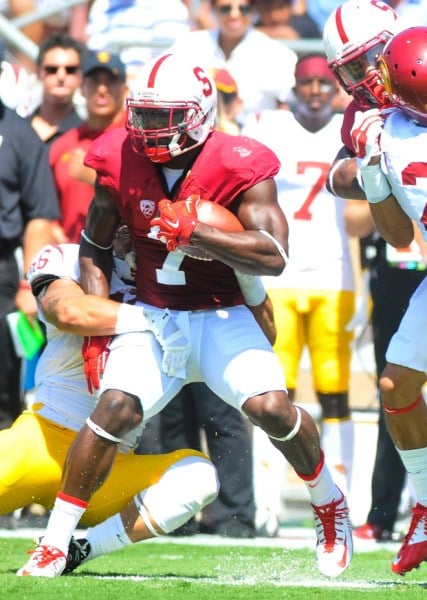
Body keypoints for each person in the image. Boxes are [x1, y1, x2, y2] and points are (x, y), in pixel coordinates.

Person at [18, 52, 353, 579]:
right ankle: (56, 540)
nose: (147, 129)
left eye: (162, 116)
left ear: (198, 114)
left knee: (271, 409)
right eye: (144, 115)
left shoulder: (239, 160)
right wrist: (101, 330)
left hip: (221, 313)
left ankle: (329, 503)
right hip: (155, 314)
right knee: (115, 408)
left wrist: (201, 235)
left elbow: (275, 254)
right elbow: (92, 244)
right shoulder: (117, 154)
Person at [8, 239, 218, 576]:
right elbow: (67, 311)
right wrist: (157, 319)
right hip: (41, 442)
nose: (123, 224)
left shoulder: (174, 277)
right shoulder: (68, 258)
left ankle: (81, 549)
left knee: (199, 478)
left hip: (108, 467)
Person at [322, 0, 422, 543]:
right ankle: (413, 508)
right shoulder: (367, 117)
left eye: (369, 62)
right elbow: (387, 225)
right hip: (411, 263)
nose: (364, 80)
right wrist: (375, 172)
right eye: (351, 70)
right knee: (397, 380)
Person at [243, 54, 356, 527]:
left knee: (335, 392)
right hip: (282, 277)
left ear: (333, 88)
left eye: (321, 82)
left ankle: (349, 497)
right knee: (274, 392)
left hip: (334, 274)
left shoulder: (348, 131)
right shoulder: (270, 125)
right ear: (293, 86)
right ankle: (266, 502)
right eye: (306, 82)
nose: (314, 91)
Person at [349, 25, 427, 575]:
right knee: (395, 383)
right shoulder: (384, 134)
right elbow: (399, 236)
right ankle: (425, 503)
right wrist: (375, 180)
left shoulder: (388, 128)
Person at [0, 32, 59, 433]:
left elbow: (39, 216)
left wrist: (27, 283)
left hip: (2, 273)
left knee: (4, 387)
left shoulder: (20, 135)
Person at [168, 0, 297, 126]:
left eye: (243, 9)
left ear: (253, 11)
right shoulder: (188, 44)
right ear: (213, 9)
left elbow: (290, 103)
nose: (234, 15)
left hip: (254, 138)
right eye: (225, 9)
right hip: (197, 133)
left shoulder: (276, 52)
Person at [49, 49, 128, 243]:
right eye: (94, 81)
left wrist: (97, 180)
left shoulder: (134, 139)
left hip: (123, 258)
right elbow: (45, 206)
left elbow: (147, 199)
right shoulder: (64, 144)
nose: (102, 89)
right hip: (70, 259)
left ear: (125, 89)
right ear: (82, 87)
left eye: (110, 81)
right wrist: (52, 229)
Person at [29, 32, 85, 146]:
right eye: (52, 69)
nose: (61, 76)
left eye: (70, 70)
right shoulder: (13, 129)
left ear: (81, 75)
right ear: (38, 72)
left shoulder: (88, 138)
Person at [253, 0, 321, 40]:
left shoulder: (304, 22)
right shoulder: (255, 24)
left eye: (280, 7)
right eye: (267, 9)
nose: (274, 15)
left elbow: (287, 34)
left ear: (290, 6)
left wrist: (249, 32)